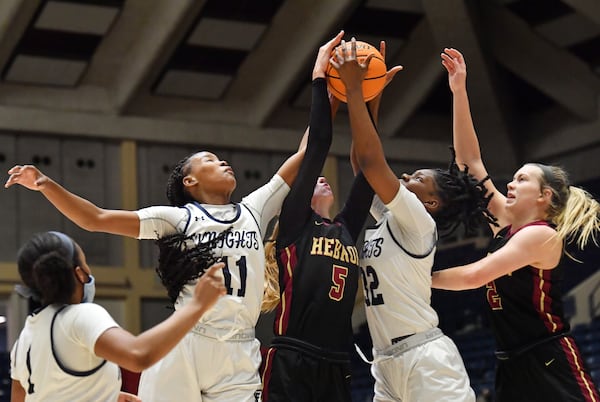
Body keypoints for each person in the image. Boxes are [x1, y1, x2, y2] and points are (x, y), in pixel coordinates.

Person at [5, 126, 308, 401]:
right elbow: (95, 218)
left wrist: (327, 89)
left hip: (238, 345)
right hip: (190, 337)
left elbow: (305, 153)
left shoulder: (253, 210)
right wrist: (45, 184)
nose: (223, 162)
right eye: (210, 161)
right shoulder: (178, 219)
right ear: (190, 180)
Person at [332, 38, 497, 401]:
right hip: (386, 362)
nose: (406, 178)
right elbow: (362, 167)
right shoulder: (392, 217)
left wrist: (357, 91)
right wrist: (372, 96)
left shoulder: (418, 223)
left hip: (426, 360)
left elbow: (374, 163)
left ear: (432, 202)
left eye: (417, 179)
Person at [431, 47, 600, 402]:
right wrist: (459, 91)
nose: (510, 183)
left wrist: (415, 278)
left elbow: (476, 275)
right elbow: (469, 163)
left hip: (549, 358)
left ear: (545, 197)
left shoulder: (540, 236)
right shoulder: (505, 224)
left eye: (522, 180)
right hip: (510, 362)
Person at [259, 31, 375, 402]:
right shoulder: (294, 222)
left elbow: (370, 166)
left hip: (337, 362)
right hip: (293, 354)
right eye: (313, 178)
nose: (321, 177)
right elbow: (317, 145)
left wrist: (369, 100)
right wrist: (320, 77)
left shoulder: (345, 228)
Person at [10, 231, 225, 402]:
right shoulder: (81, 316)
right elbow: (138, 355)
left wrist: (104, 396)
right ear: (79, 274)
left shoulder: (26, 335)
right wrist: (196, 305)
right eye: (85, 263)